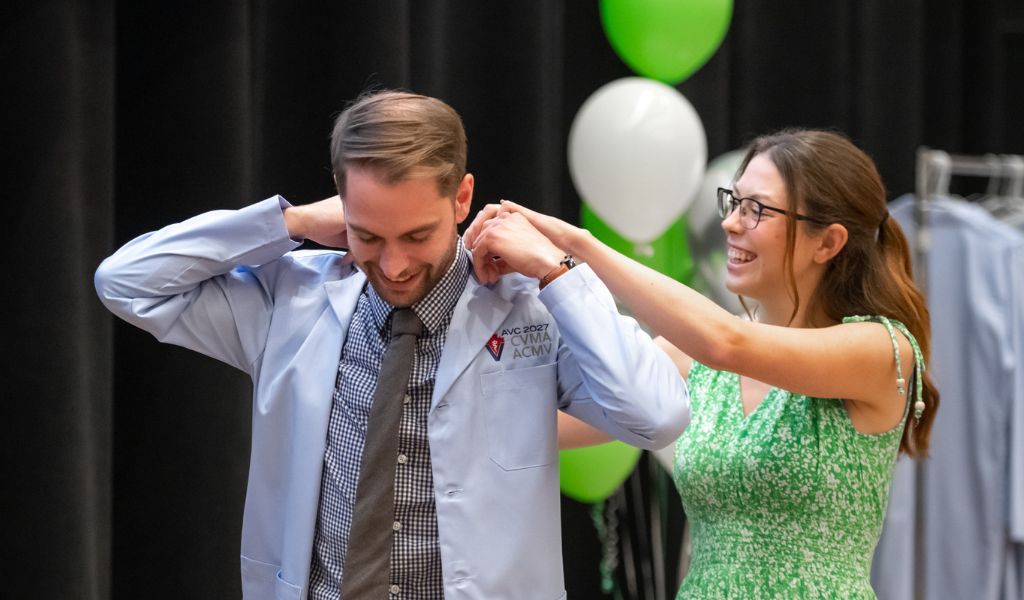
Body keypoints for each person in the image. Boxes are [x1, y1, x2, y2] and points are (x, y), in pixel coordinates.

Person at [94, 90, 691, 600]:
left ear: (461, 199)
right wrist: (292, 223)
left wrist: (561, 273)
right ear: (342, 202)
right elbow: (127, 283)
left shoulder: (528, 308)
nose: (396, 263)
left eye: (417, 234)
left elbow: (656, 416)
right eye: (368, 235)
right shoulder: (291, 301)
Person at [465, 129, 939, 599]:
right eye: (733, 202)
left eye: (757, 210)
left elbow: (728, 342)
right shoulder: (690, 360)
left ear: (828, 242)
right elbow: (529, 422)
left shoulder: (881, 349)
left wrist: (573, 249)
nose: (731, 223)